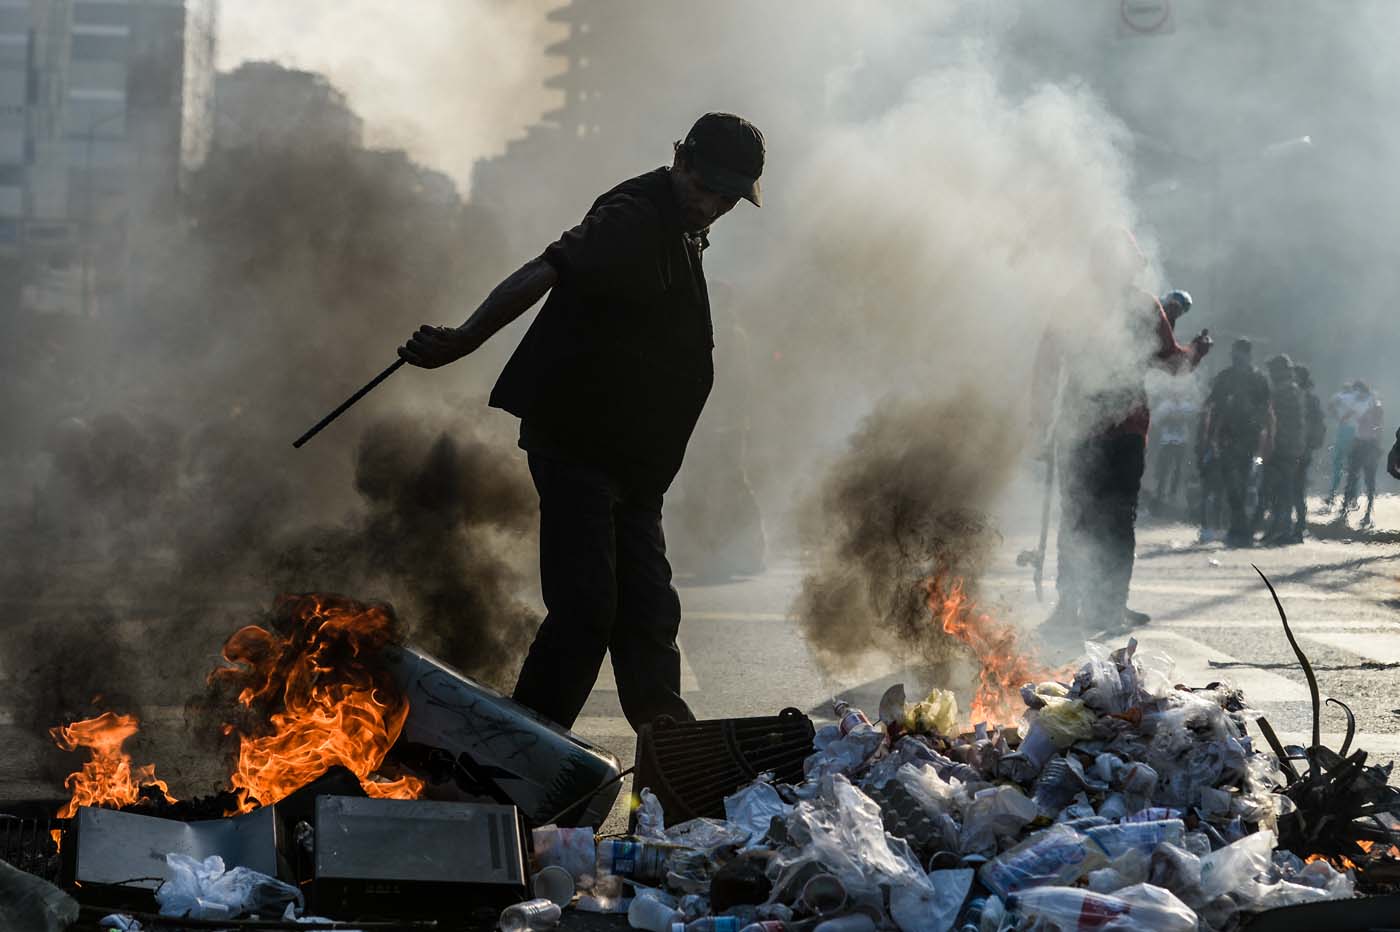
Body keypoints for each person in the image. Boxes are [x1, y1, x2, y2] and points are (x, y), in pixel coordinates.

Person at [397, 112, 765, 732]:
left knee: (647, 614)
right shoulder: (633, 216)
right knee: (587, 609)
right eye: (705, 189)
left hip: (636, 466)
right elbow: (547, 269)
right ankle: (528, 762)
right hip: (581, 446)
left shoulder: (683, 224)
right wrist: (464, 338)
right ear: (680, 159)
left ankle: (672, 767)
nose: (712, 206)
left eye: (727, 198)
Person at [1033, 257, 1210, 638]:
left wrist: (1042, 421)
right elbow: (1175, 365)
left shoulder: (1082, 304)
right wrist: (1196, 350)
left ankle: (1081, 608)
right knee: (1111, 519)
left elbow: (1045, 366)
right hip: (1115, 430)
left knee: (1083, 516)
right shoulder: (1142, 305)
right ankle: (1102, 608)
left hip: (1088, 427)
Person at [1200, 339, 1271, 548]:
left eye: (1239, 353)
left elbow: (1266, 409)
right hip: (1227, 437)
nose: (1236, 357)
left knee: (1240, 483)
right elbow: (1214, 406)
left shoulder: (1258, 379)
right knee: (1233, 484)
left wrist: (1263, 435)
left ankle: (1241, 529)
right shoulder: (1226, 377)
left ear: (1247, 354)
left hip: (1247, 437)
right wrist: (1211, 436)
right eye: (1235, 353)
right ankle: (1240, 528)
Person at [1258, 355, 1303, 545]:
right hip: (1282, 448)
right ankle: (1278, 529)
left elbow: (1281, 422)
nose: (1271, 374)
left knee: (1281, 491)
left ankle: (1283, 530)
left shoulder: (1287, 393)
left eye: (1274, 370)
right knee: (1277, 491)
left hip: (1284, 449)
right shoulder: (1284, 391)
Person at [1341, 381, 1384, 528]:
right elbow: (1346, 417)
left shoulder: (1373, 404)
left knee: (1366, 480)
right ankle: (1346, 512)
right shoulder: (1362, 403)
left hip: (1368, 444)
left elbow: (1378, 426)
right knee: (1355, 478)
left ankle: (1364, 514)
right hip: (1362, 443)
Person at [1292, 365, 1325, 543]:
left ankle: (1299, 526)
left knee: (1296, 488)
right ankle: (1292, 525)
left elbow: (1317, 426)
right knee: (1291, 488)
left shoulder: (1309, 400)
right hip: (1290, 449)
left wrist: (1309, 446)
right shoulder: (1295, 397)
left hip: (1301, 450)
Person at [1324, 381, 1365, 509]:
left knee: (1337, 466)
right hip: (1355, 434)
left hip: (1342, 431)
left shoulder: (1340, 396)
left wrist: (1338, 417)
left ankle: (1331, 496)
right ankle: (1354, 498)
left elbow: (1330, 405)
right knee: (1353, 468)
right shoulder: (1357, 397)